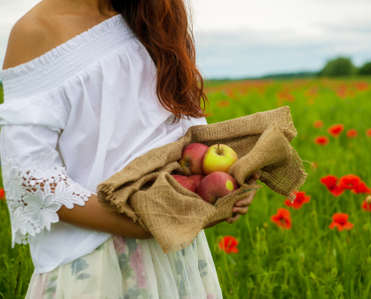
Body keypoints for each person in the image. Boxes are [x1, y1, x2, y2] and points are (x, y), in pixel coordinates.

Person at [0, 0, 258, 298]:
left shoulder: (151, 12)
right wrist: (137, 224)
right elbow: (30, 176)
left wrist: (213, 192)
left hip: (175, 252)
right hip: (97, 262)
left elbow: (182, 134)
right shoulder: (36, 31)